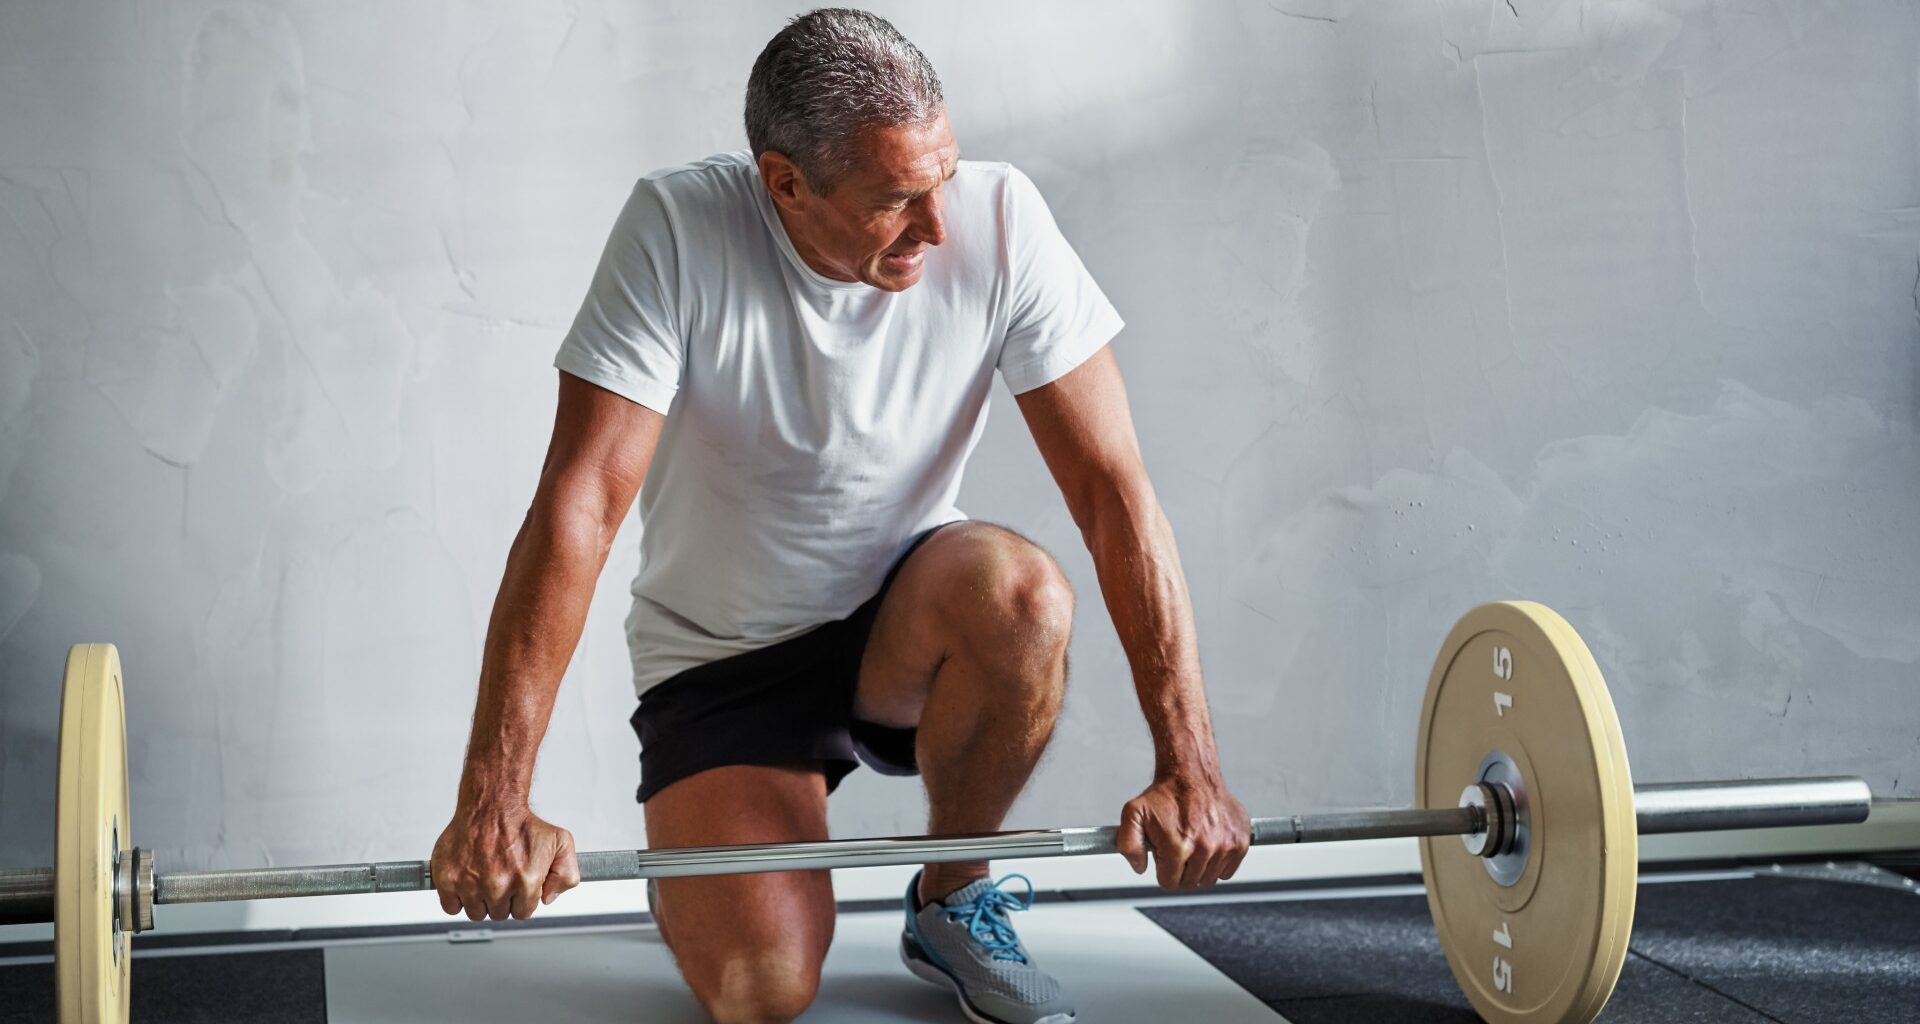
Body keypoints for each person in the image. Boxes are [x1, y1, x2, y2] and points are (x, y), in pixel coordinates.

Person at [430, 8, 1249, 1023]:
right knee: (763, 991)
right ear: (785, 184)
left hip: (903, 623)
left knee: (1025, 597)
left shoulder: (1002, 218)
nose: (938, 226)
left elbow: (1114, 495)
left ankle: (953, 895)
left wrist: (1190, 764)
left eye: (942, 178)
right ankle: (704, 864)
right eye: (897, 199)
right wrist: (495, 796)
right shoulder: (679, 229)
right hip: (721, 662)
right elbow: (581, 507)